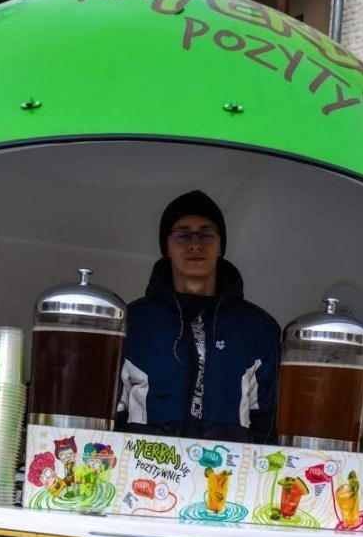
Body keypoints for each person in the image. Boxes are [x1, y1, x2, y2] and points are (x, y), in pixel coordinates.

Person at [117, 190, 281, 444]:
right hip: (143, 473)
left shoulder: (258, 328)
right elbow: (109, 415)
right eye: (183, 235)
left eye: (206, 234)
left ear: (220, 247)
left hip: (229, 476)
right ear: (167, 247)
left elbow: (268, 422)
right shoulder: (131, 322)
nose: (195, 244)